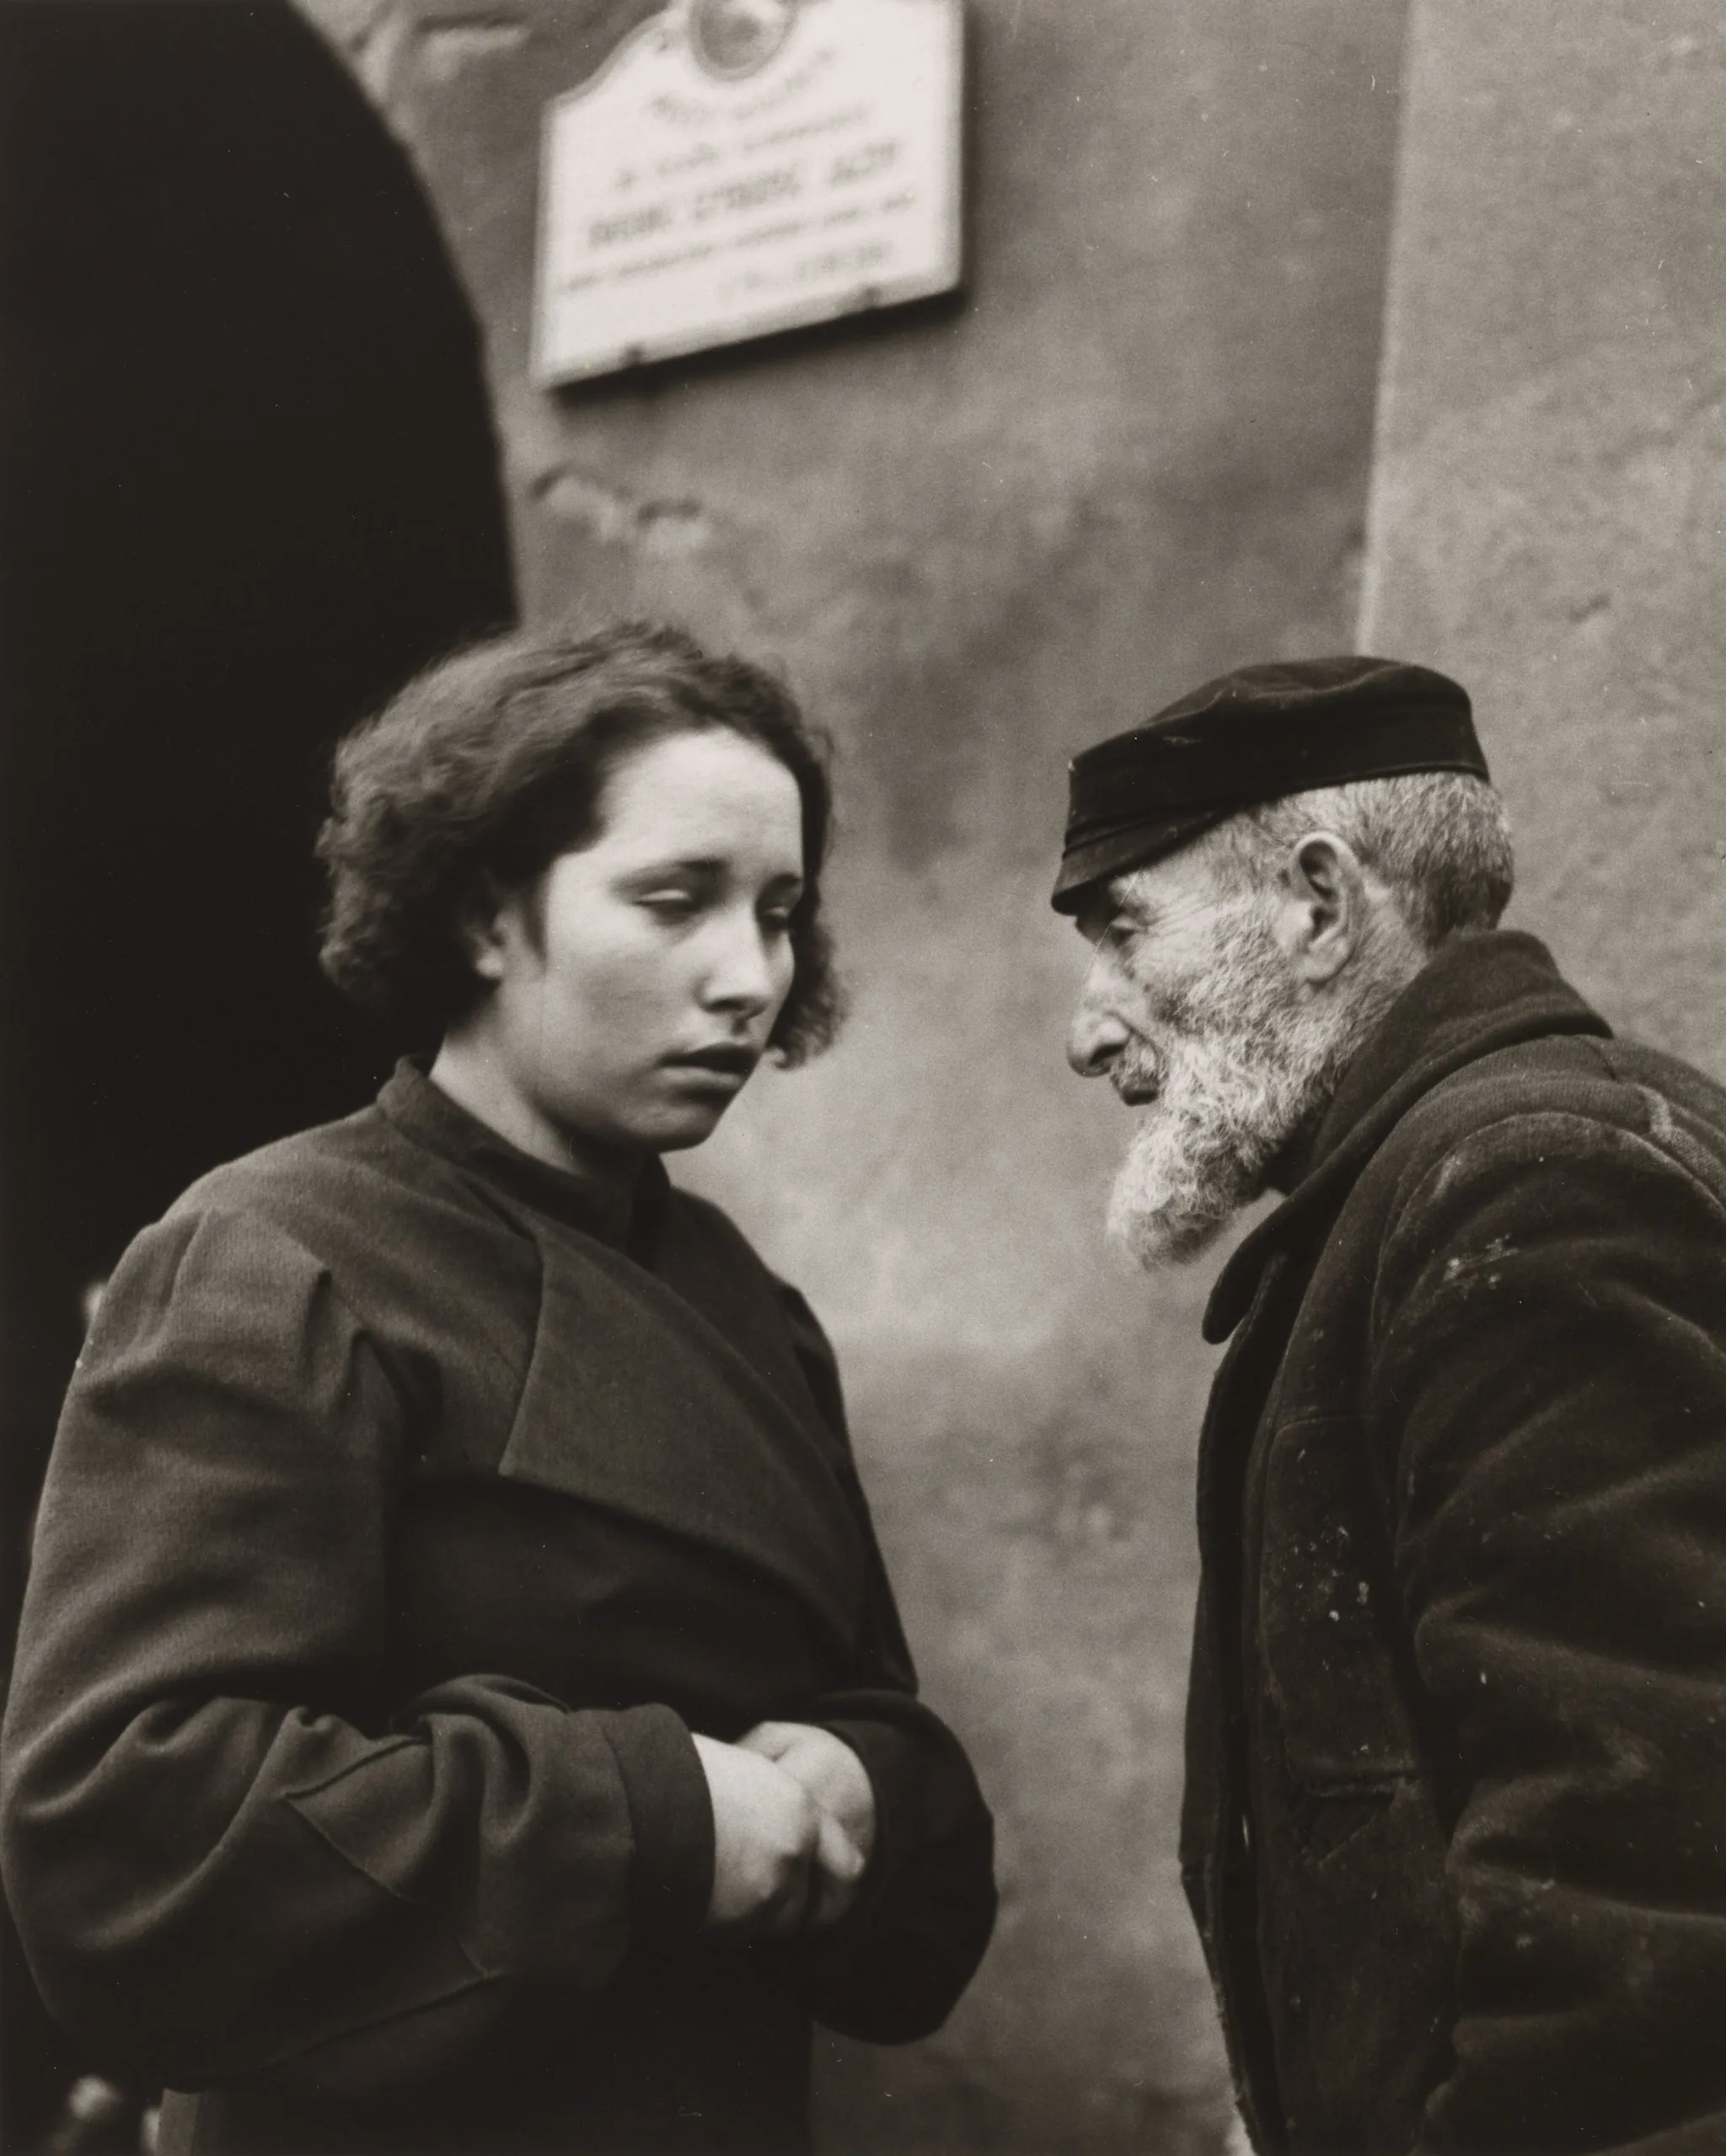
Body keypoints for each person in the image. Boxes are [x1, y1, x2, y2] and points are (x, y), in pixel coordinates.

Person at [1053, 656, 1726, 2153]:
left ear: (1318, 904)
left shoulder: (1530, 1196)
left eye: (1124, 933)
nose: (1089, 1030)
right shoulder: (1474, 1181)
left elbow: (1708, 1984)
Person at [0, 622, 996, 2155]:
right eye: (675, 899)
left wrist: (863, 1782)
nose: (750, 978)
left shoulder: (745, 1300)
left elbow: (871, 1702)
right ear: (483, 914)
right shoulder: (276, 1257)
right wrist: (649, 1817)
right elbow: (132, 1834)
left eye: (780, 913)